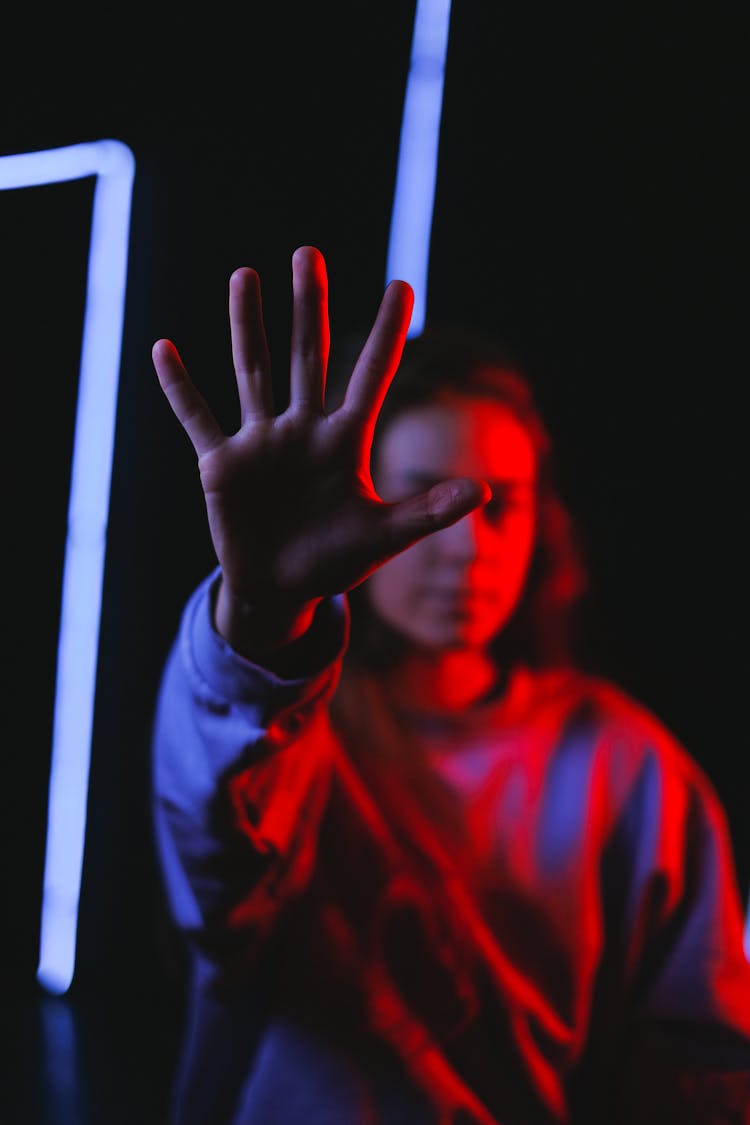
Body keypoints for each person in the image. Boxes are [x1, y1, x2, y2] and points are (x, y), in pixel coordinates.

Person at [151, 245, 750, 1124]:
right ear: (350, 498)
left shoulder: (629, 765)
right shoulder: (294, 737)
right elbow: (215, 845)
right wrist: (261, 612)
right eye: (424, 496)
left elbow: (701, 1062)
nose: (468, 540)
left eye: (499, 501)